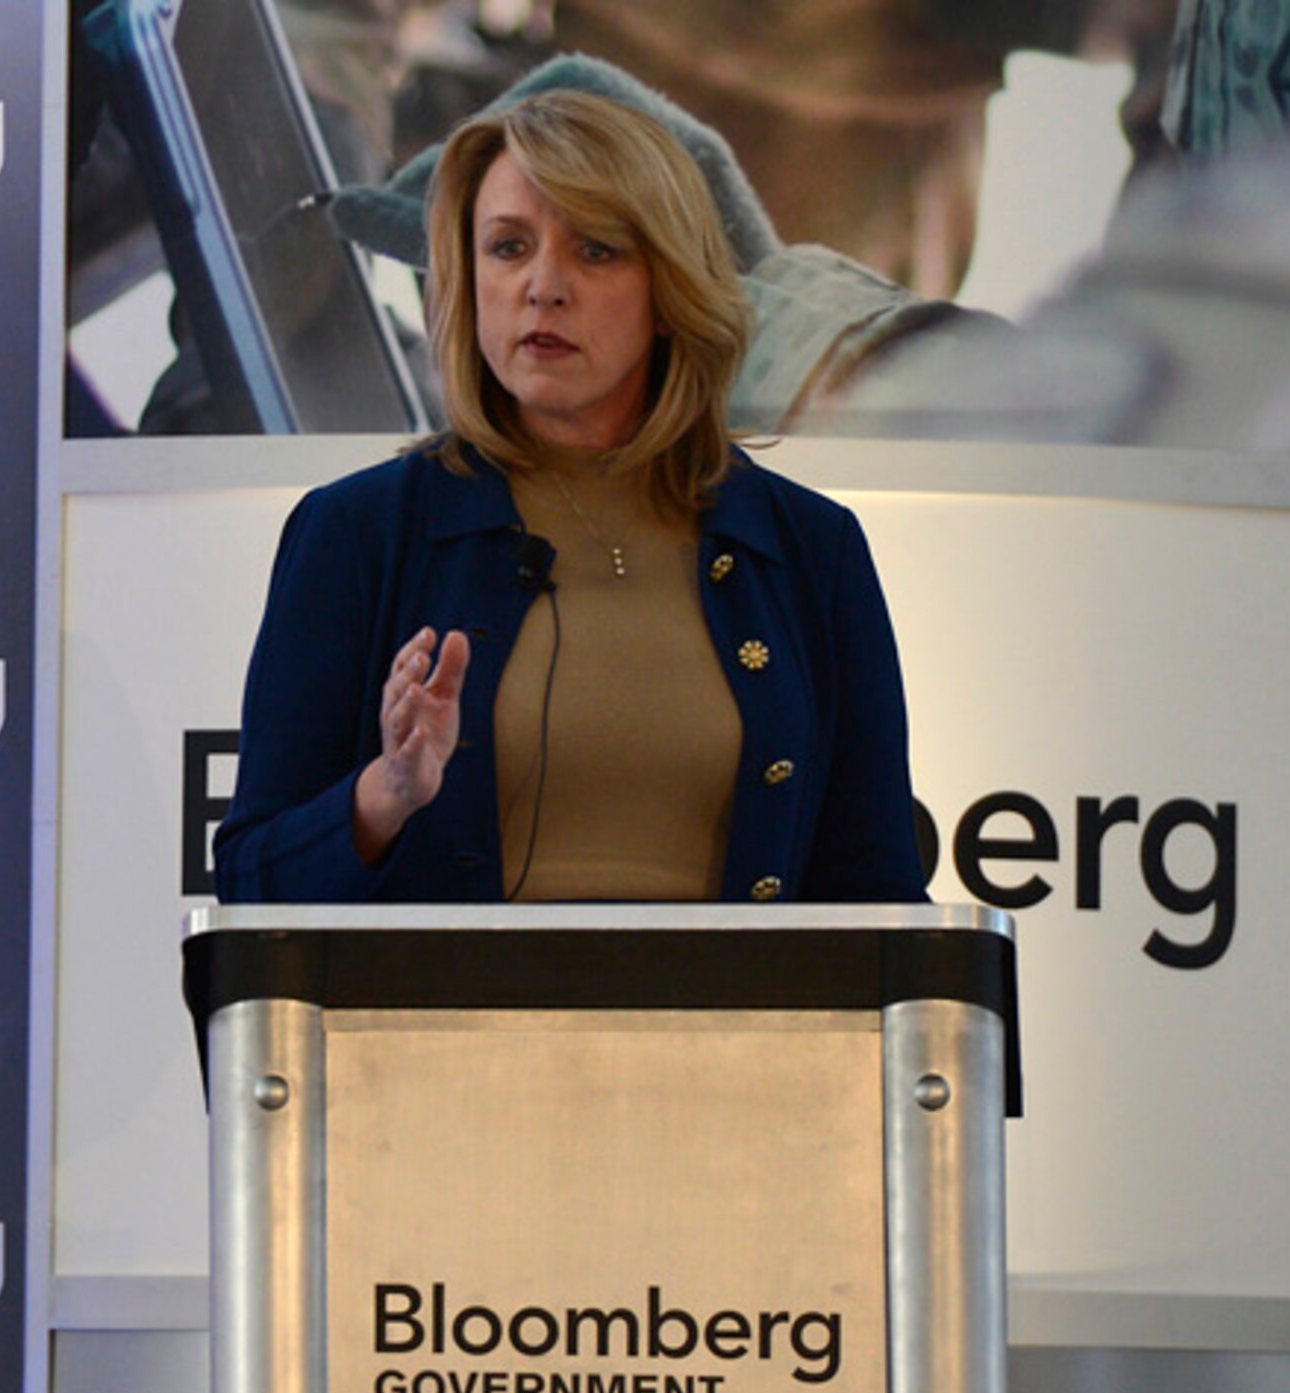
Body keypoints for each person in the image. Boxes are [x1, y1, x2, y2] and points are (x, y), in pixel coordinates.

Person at [213, 90, 926, 904]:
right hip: (448, 1034)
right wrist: (385, 795)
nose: (543, 287)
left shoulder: (810, 550)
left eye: (596, 251)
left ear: (670, 289)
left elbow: (879, 904)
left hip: (734, 1034)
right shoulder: (355, 531)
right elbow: (249, 885)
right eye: (508, 247)